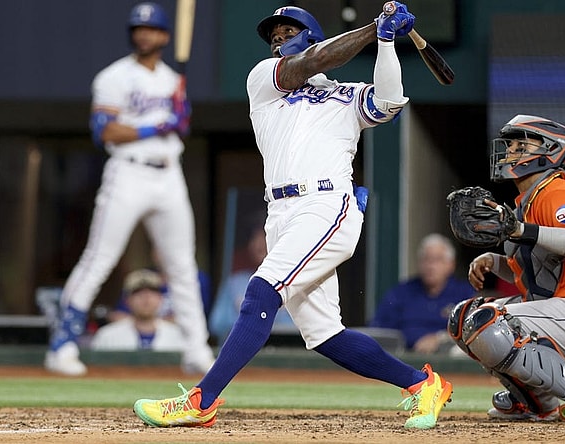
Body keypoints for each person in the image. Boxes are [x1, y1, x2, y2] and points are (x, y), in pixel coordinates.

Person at [132, 4, 453, 431]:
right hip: (281, 212)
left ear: (314, 35)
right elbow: (317, 60)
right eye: (275, 33)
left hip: (326, 206)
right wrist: (375, 29)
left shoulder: (345, 95)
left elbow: (389, 100)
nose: (279, 38)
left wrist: (387, 43)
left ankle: (201, 400)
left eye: (290, 30)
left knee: (261, 292)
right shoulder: (264, 79)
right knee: (325, 336)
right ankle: (422, 384)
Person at [43, 2, 214, 377]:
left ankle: (196, 349)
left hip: (169, 174)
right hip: (128, 172)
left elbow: (179, 128)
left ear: (165, 37)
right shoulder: (114, 77)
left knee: (183, 266)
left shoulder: (172, 80)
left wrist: (181, 118)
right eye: (138, 28)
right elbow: (104, 130)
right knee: (99, 259)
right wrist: (158, 124)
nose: (143, 34)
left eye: (151, 29)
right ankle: (62, 345)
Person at [448, 115, 565, 424]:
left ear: (549, 151)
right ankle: (536, 400)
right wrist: (494, 262)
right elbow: (538, 274)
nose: (509, 152)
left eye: (519, 145)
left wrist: (522, 229)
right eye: (509, 145)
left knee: (491, 323)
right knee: (464, 319)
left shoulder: (559, 193)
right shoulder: (526, 201)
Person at [370, 233, 476, 353]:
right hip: (406, 358)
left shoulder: (464, 293)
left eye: (438, 260)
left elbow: (474, 331)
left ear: (451, 265)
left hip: (449, 360)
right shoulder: (400, 293)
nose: (431, 266)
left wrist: (439, 338)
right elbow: (379, 332)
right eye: (426, 259)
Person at [209, 224, 294, 345]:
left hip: (285, 352)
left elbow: (301, 327)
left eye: (264, 237)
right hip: (242, 350)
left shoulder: (293, 281)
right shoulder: (236, 282)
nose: (259, 244)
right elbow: (217, 324)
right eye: (255, 238)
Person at [90, 269, 186, 351]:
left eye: (152, 291)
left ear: (161, 298)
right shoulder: (107, 336)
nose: (146, 297)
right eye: (138, 291)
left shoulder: (179, 335)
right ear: (127, 300)